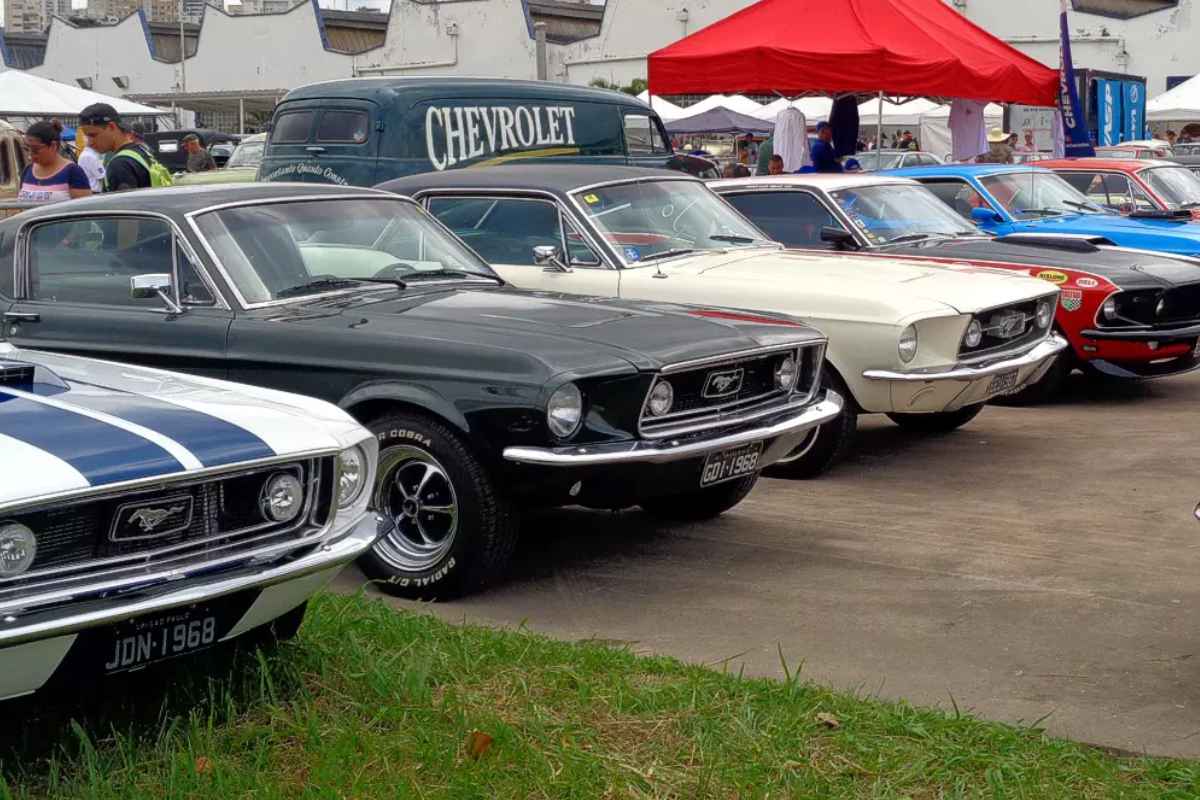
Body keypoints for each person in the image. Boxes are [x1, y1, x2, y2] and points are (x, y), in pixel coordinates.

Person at [79, 102, 155, 192]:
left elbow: (123, 205)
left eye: (93, 135)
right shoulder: (141, 151)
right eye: (87, 136)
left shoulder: (120, 165)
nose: (89, 142)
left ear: (111, 127)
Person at [16, 120, 92, 204]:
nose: (30, 155)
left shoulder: (73, 172)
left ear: (53, 146)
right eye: (26, 149)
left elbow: (83, 209)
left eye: (35, 150)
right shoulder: (28, 170)